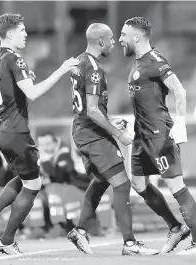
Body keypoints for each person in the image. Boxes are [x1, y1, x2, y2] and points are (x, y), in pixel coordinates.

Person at [0, 13, 79, 255]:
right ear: (10, 34)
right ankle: (6, 240)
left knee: (25, 179)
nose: (26, 34)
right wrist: (61, 70)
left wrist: (9, 87)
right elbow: (33, 93)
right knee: (33, 185)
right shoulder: (14, 59)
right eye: (22, 30)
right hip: (16, 130)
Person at [67, 23, 159, 256]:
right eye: (110, 39)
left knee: (101, 180)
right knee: (122, 183)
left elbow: (91, 108)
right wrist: (119, 134)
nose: (114, 42)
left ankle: (79, 230)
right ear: (100, 42)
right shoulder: (95, 69)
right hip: (92, 134)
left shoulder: (80, 62)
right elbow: (92, 111)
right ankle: (129, 244)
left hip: (83, 131)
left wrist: (112, 120)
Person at [119, 17, 196, 255]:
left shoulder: (155, 61)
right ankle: (175, 227)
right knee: (139, 184)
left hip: (159, 135)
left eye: (124, 34)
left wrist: (180, 123)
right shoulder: (138, 62)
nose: (121, 38)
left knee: (176, 186)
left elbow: (179, 90)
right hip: (140, 136)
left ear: (137, 36)